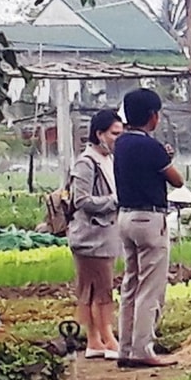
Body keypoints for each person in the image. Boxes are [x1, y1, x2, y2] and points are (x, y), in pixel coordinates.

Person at [112, 88, 184, 369]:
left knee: (130, 284)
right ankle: (143, 348)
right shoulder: (151, 147)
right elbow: (176, 180)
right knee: (150, 287)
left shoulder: (121, 143)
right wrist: (165, 158)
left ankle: (125, 348)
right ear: (153, 117)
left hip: (125, 217)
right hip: (150, 219)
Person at [66, 110, 124, 358]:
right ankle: (105, 339)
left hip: (105, 233)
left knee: (97, 289)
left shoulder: (108, 160)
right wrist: (114, 201)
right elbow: (81, 200)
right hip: (91, 235)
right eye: (114, 133)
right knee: (98, 289)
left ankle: (96, 341)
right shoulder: (86, 162)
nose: (117, 139)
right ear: (99, 134)